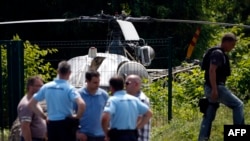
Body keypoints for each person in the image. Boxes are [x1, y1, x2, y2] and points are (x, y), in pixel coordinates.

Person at [198, 33, 245, 141]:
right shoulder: (218, 53)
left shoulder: (217, 52)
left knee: (209, 114)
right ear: (226, 42)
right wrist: (215, 89)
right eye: (232, 45)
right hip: (215, 87)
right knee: (238, 105)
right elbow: (212, 70)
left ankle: (202, 138)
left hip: (211, 87)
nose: (232, 48)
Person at [28, 60, 86, 141]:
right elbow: (82, 104)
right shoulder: (69, 88)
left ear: (58, 71)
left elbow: (31, 104)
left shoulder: (46, 87)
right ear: (69, 73)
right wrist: (76, 117)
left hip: (52, 124)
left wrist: (44, 116)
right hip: (66, 124)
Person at [101, 75, 153, 141]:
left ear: (111, 87)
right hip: (132, 135)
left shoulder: (113, 100)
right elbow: (149, 114)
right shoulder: (134, 99)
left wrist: (107, 133)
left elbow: (105, 118)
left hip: (117, 135)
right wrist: (137, 127)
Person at [76, 70, 109, 141]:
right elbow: (70, 115)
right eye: (95, 82)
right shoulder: (78, 95)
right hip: (84, 136)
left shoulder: (104, 95)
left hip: (101, 136)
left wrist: (107, 133)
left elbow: (108, 115)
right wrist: (77, 133)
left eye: (98, 82)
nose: (98, 84)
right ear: (87, 81)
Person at [17, 75, 47, 141]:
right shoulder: (26, 105)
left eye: (42, 86)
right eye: (39, 86)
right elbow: (25, 127)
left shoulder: (33, 101)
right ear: (30, 87)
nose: (41, 88)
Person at [125, 74, 151, 141]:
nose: (125, 85)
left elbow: (138, 119)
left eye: (127, 83)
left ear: (136, 84)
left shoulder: (142, 99)